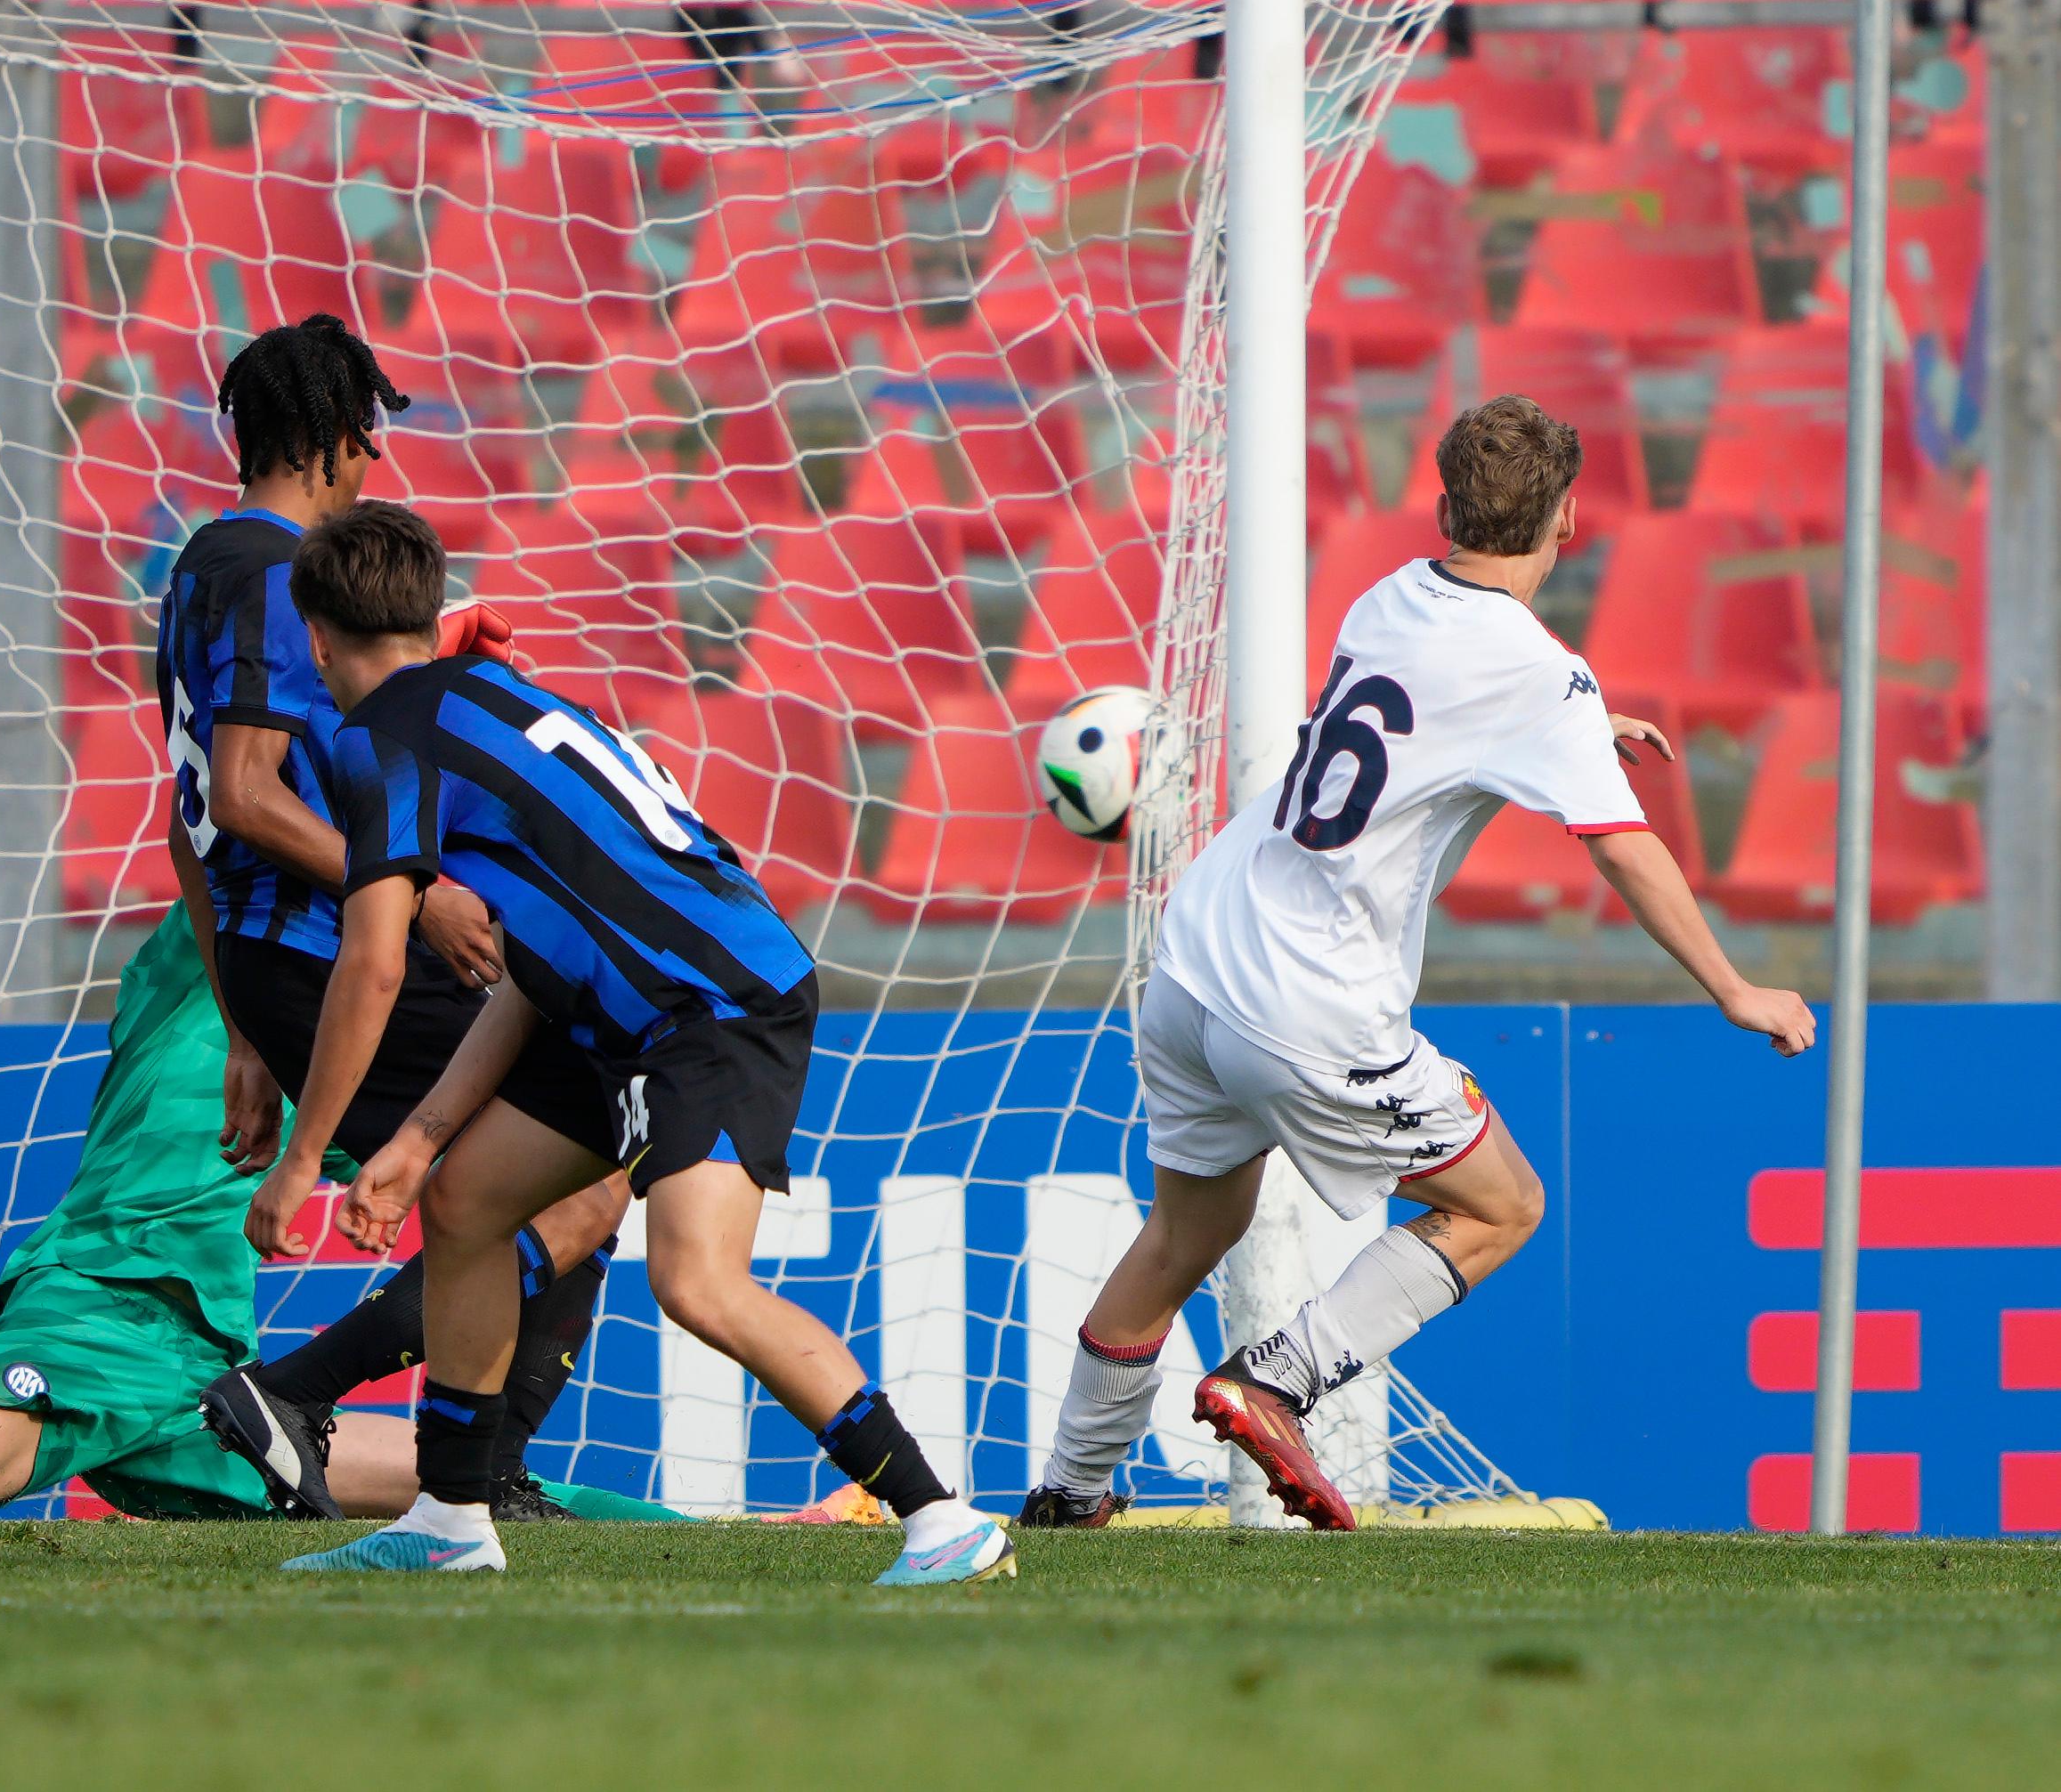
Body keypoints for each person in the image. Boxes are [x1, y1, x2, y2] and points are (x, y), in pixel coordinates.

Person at [1019, 396, 1819, 1532]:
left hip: (1197, 961)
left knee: (1186, 1232)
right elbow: (1623, 845)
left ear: (1444, 507)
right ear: (1570, 520)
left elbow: (1433, 719)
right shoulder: (1541, 677)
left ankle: (1067, 1489)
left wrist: (1585, 728)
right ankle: (1275, 1381)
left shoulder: (1387, 595)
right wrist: (1734, 987)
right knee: (1503, 1207)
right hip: (1310, 1006)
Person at [275, 501, 1014, 1585]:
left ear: (317, 638)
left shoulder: (379, 735)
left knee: (696, 1281)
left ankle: (938, 1518)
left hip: (710, 1005)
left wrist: (309, 1154)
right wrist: (424, 1137)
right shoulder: (503, 697)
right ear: (432, 619)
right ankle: (450, 1516)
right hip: (639, 1006)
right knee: (468, 1202)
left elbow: (374, 960)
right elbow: (542, 960)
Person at [0, 919, 684, 1525]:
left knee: (461, 1484)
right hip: (100, 1304)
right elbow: (250, 804)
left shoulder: (353, 1051)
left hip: (210, 1373)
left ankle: (806, 1518)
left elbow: (518, 1194)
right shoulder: (214, 954)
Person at [164, 314, 630, 1524]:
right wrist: (416, 895)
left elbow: (189, 826)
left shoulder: (199, 567)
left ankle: (483, 1471)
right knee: (578, 1163)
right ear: (324, 440)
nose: (374, 462)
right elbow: (249, 795)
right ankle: (307, 1399)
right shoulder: (281, 572)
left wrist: (243, 1025)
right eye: (365, 437)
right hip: (330, 947)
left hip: (276, 960)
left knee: (566, 1166)